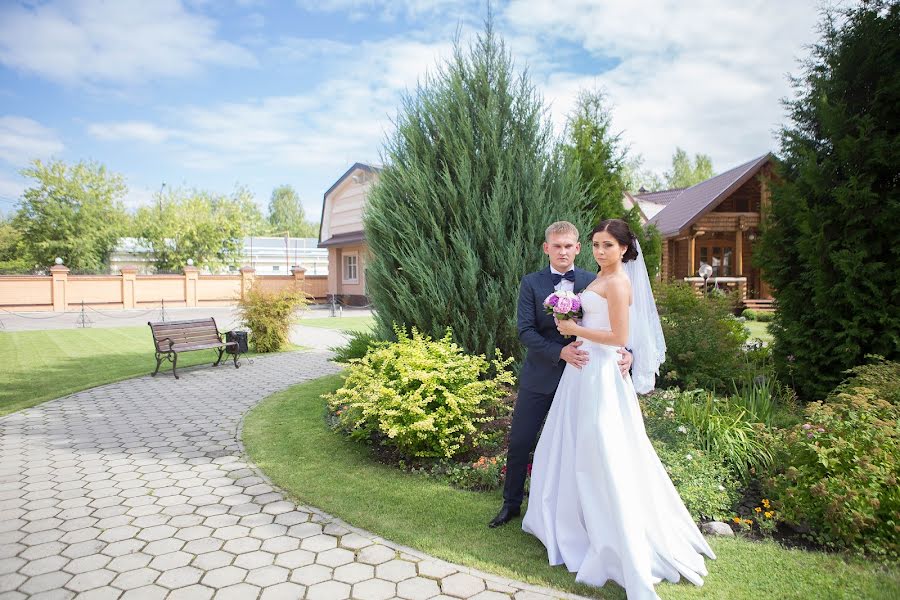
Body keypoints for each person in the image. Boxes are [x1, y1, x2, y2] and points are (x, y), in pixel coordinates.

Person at [523, 219, 715, 600]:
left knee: (603, 452)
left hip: (601, 377)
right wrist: (576, 326)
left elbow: (620, 337)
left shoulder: (619, 281)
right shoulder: (594, 279)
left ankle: (616, 536)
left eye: (607, 245)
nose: (600, 251)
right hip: (581, 373)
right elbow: (601, 323)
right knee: (569, 445)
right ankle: (572, 522)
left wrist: (573, 330)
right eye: (595, 244)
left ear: (625, 249)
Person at [488, 221, 633, 529]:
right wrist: (559, 352)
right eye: (557, 246)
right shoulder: (531, 283)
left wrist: (629, 352)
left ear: (577, 248)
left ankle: (571, 514)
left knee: (578, 446)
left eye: (569, 246)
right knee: (521, 440)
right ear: (547, 248)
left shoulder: (594, 279)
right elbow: (525, 330)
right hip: (541, 375)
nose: (563, 251)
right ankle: (511, 504)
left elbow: (615, 322)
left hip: (585, 378)